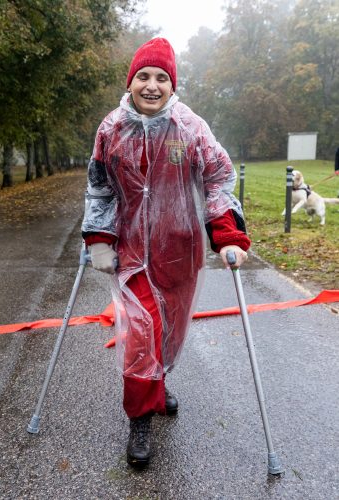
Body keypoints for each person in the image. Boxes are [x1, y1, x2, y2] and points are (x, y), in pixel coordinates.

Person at [81, 38, 251, 468]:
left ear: (172, 84)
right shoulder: (111, 129)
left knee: (170, 334)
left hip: (181, 250)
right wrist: (99, 239)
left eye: (161, 78)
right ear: (131, 81)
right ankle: (140, 418)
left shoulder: (191, 127)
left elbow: (218, 178)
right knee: (142, 332)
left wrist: (228, 234)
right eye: (143, 76)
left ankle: (158, 383)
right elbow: (99, 186)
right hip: (132, 252)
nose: (152, 85)